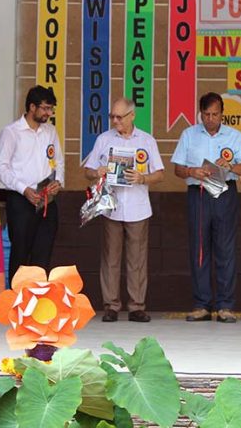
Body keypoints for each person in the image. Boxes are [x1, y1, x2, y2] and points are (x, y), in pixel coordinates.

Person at [172, 92, 241, 323]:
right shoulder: (189, 134)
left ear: (222, 114)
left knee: (225, 249)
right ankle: (202, 305)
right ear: (200, 114)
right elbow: (177, 169)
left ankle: (225, 306)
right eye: (206, 114)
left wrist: (231, 166)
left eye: (215, 114)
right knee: (199, 249)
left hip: (225, 194)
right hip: (198, 193)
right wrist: (191, 171)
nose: (210, 119)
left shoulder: (234, 136)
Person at [84, 98, 164, 323]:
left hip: (138, 206)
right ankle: (111, 305)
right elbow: (87, 171)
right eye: (112, 117)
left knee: (137, 259)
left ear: (132, 116)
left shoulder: (147, 141)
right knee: (110, 257)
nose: (115, 121)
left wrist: (143, 177)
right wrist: (97, 171)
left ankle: (137, 306)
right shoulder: (104, 139)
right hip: (112, 205)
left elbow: (160, 173)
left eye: (119, 117)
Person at [0, 85, 64, 277]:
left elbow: (58, 160)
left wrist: (58, 181)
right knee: (20, 253)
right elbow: (0, 167)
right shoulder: (12, 132)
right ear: (32, 107)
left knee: (43, 253)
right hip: (21, 200)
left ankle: (37, 302)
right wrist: (23, 189)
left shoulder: (50, 131)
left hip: (47, 200)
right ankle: (18, 302)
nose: (48, 113)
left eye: (51, 109)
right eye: (45, 108)